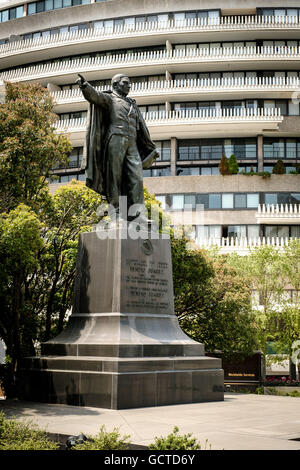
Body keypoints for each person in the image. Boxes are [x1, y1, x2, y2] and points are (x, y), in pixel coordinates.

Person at [76, 73, 159, 221]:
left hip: (132, 142)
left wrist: (149, 146)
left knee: (136, 177)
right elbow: (95, 96)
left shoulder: (132, 103)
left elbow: (142, 127)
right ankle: (116, 213)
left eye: (129, 83)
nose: (129, 86)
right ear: (115, 85)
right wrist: (85, 86)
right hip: (115, 139)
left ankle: (138, 214)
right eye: (126, 83)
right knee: (114, 177)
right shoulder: (109, 99)